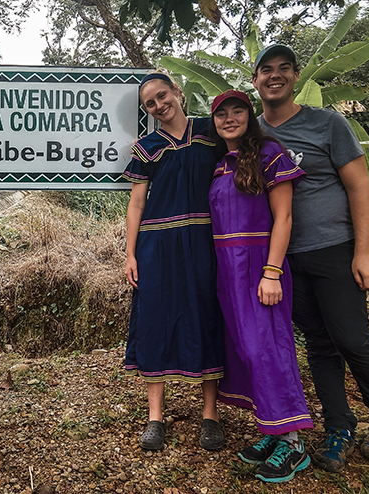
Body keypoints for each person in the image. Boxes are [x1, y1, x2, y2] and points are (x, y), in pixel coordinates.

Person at [252, 44, 369, 473]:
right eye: (267, 70)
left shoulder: (327, 123)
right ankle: (339, 427)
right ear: (255, 80)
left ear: (296, 77)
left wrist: (364, 252)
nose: (275, 76)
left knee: (351, 338)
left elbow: (360, 186)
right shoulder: (253, 133)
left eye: (284, 69)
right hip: (284, 259)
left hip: (334, 249)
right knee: (319, 345)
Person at [208, 90, 312, 483]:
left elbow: (283, 217)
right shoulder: (221, 165)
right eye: (221, 114)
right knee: (244, 350)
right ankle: (273, 429)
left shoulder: (269, 153)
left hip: (258, 266)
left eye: (237, 111)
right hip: (226, 270)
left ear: (249, 117)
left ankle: (294, 442)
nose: (229, 118)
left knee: (266, 347)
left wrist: (271, 272)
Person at [123, 73, 225, 451]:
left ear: (177, 92)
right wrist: (130, 253)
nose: (158, 105)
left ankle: (210, 416)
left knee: (206, 316)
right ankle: (155, 417)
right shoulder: (147, 146)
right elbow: (136, 203)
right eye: (150, 103)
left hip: (205, 242)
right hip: (157, 245)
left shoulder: (211, 131)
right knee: (155, 319)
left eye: (161, 95)